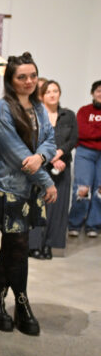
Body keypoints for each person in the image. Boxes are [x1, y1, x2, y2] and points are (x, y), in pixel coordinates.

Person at [0, 53, 57, 336]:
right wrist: (46, 179)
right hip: (7, 187)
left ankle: (0, 300)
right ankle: (19, 302)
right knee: (18, 244)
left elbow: (50, 139)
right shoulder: (1, 110)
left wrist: (41, 157)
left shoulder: (38, 108)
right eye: (21, 77)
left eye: (33, 76)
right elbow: (16, 155)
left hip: (29, 186)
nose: (29, 81)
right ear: (10, 81)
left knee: (15, 244)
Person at [28, 80, 77, 258]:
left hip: (62, 166)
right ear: (42, 96)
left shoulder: (69, 115)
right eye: (48, 91)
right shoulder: (35, 115)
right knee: (38, 205)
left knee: (58, 207)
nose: (52, 94)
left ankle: (49, 245)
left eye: (55, 90)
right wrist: (51, 158)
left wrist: (60, 154)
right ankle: (34, 246)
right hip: (41, 166)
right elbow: (33, 141)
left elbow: (73, 139)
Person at [67, 80, 101, 238]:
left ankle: (93, 225)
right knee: (83, 189)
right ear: (93, 93)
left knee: (100, 190)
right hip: (85, 152)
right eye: (98, 90)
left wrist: (93, 131)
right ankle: (74, 223)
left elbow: (90, 131)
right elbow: (82, 132)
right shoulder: (84, 111)